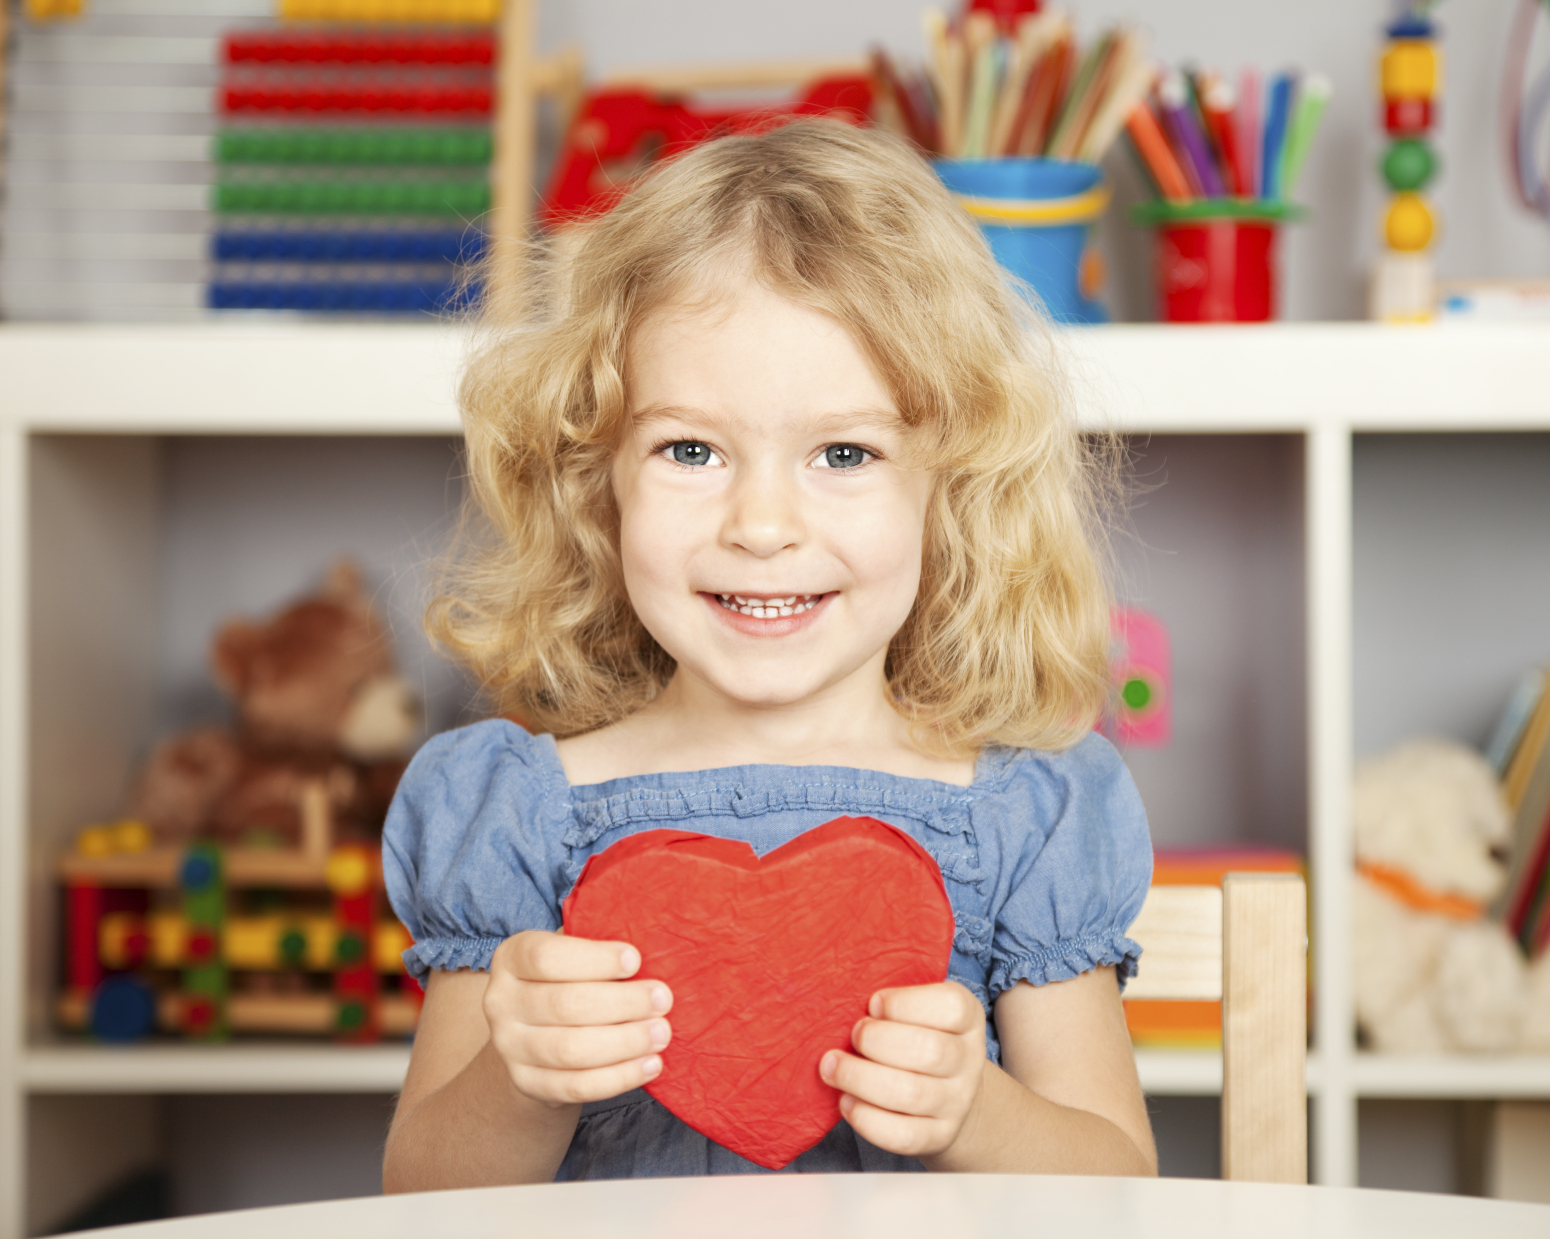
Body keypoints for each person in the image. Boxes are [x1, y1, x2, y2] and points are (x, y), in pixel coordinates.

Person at [380, 119, 1156, 1190]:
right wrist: (518, 1080)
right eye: (689, 449)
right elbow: (421, 1195)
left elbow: (1117, 1185)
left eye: (844, 452)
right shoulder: (515, 813)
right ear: (596, 481)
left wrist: (975, 1112)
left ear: (950, 489)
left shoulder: (1026, 814)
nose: (760, 523)